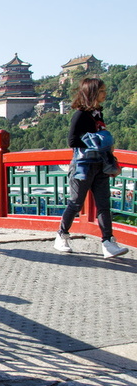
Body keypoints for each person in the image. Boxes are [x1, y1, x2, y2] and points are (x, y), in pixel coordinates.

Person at [54, 78, 128, 258]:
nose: (105, 94)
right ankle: (61, 235)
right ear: (92, 92)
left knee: (104, 205)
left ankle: (108, 242)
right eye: (102, 91)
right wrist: (95, 142)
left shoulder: (98, 114)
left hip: (100, 164)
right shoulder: (80, 114)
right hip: (83, 166)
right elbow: (72, 141)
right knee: (76, 203)